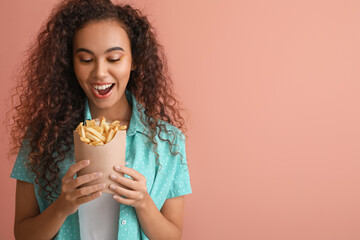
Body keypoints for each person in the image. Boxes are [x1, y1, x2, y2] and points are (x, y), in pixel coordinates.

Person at [9, 0, 192, 239]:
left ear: (134, 60)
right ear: (70, 62)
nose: (100, 73)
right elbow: (23, 234)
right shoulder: (42, 136)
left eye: (114, 58)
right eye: (86, 60)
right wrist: (62, 206)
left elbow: (173, 235)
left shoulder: (168, 142)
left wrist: (144, 203)